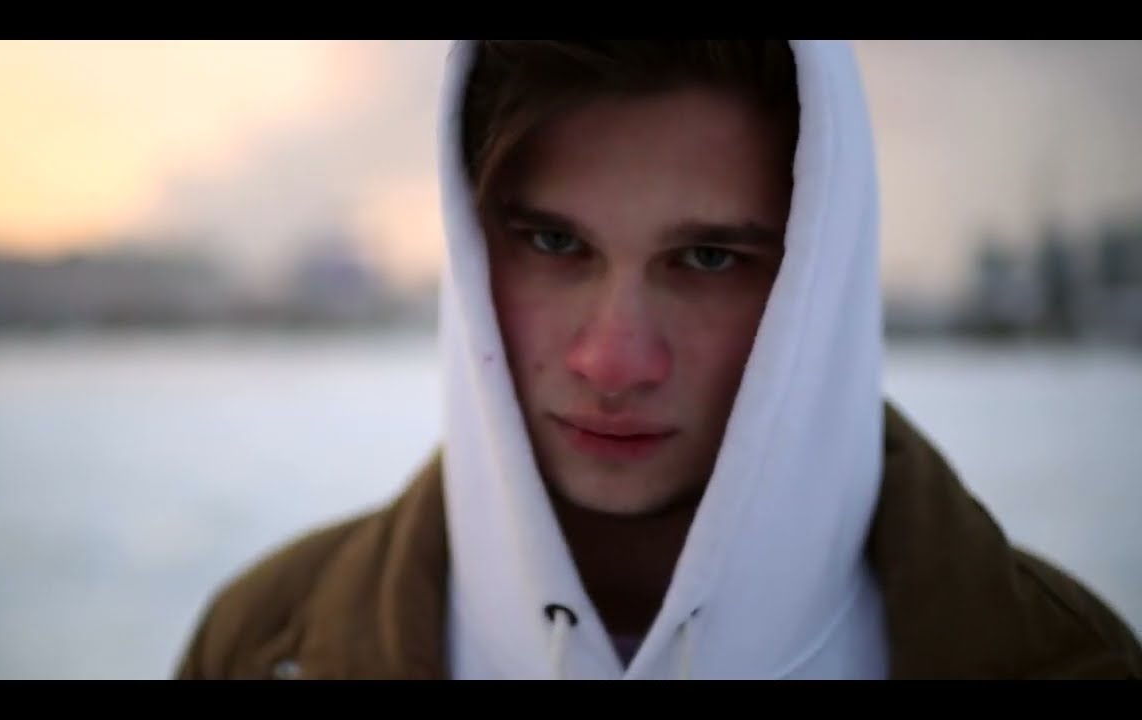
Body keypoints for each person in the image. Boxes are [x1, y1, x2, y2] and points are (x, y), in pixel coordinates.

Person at [173, 40, 1142, 680]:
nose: (613, 360)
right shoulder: (265, 643)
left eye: (707, 259)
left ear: (819, 280)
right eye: (555, 244)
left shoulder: (1065, 661)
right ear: (470, 252)